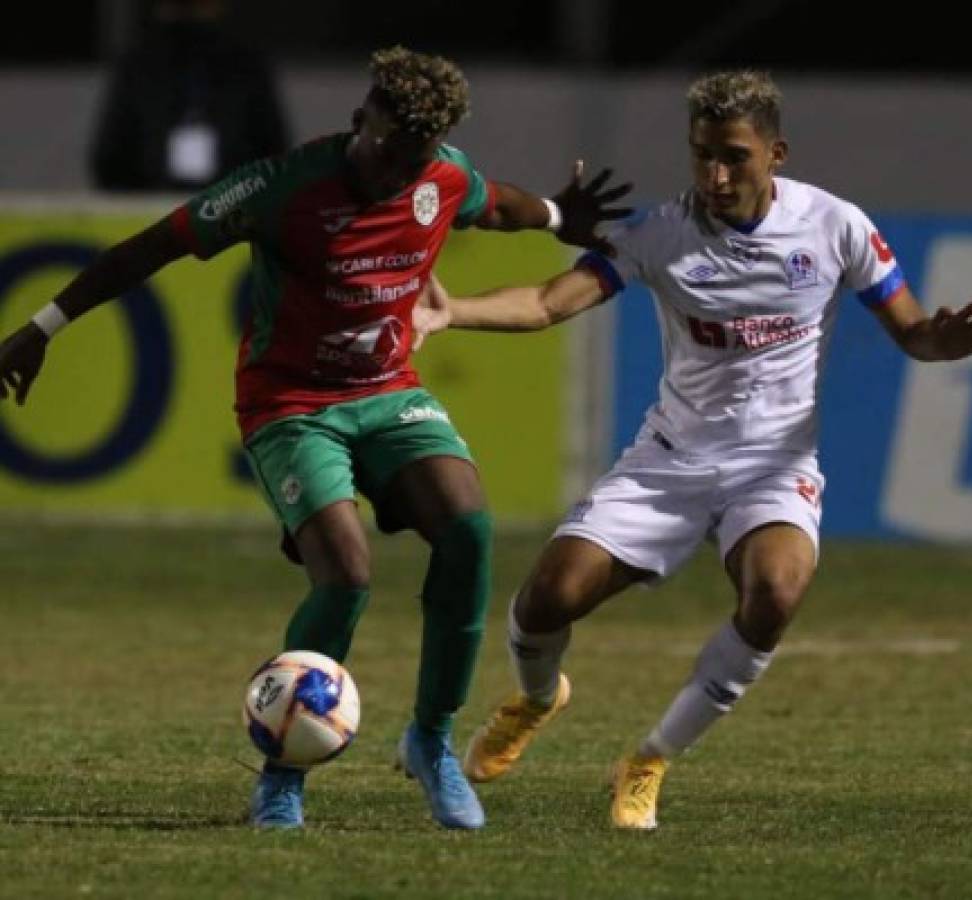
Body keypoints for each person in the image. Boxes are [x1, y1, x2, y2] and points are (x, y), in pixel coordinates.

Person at [0, 45, 630, 830]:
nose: (395, 170)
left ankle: (430, 739)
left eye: (413, 159)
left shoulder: (440, 178)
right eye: (384, 148)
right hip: (289, 404)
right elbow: (148, 249)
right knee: (346, 575)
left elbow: (496, 203)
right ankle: (282, 774)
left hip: (388, 391)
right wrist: (43, 327)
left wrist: (562, 212)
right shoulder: (278, 188)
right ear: (357, 119)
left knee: (467, 528)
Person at [416, 69, 972, 830]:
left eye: (733, 157)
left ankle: (647, 761)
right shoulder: (661, 234)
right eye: (701, 157)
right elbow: (550, 302)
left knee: (775, 594)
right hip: (668, 461)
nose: (715, 177)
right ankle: (533, 698)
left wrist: (936, 342)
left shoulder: (835, 226)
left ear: (774, 154)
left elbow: (911, 331)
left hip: (775, 467)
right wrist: (453, 309)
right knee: (545, 600)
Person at [90, 0, 289, 191]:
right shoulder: (140, 66)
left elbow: (272, 151)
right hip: (152, 204)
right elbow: (110, 159)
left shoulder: (245, 66)